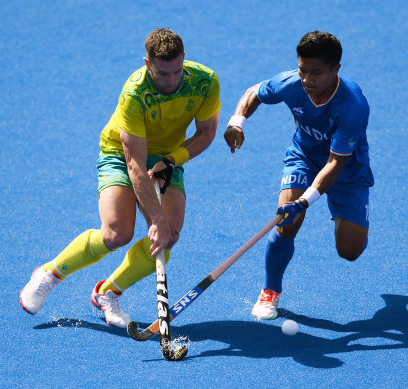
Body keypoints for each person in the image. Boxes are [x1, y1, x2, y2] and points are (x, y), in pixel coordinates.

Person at [20, 28, 221, 327]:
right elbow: (135, 164)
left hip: (167, 156)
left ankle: (108, 293)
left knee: (169, 237)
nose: (172, 81)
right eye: (163, 73)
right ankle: (50, 273)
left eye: (177, 71)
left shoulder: (205, 82)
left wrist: (170, 160)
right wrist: (156, 217)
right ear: (146, 63)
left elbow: (206, 134)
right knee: (117, 233)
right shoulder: (135, 94)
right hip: (121, 153)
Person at [224, 31, 373, 320]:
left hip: (346, 171)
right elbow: (255, 91)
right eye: (303, 71)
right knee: (287, 222)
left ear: (336, 70)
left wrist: (305, 202)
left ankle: (354, 221)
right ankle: (270, 292)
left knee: (350, 251)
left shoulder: (353, 106)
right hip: (303, 157)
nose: (307, 80)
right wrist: (237, 122)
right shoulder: (292, 83)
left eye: (316, 73)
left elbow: (334, 164)